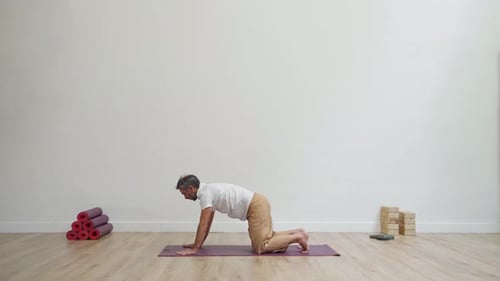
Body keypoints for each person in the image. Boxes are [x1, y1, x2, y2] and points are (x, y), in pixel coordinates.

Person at [175, 174, 309, 255]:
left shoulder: (206, 195)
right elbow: (208, 223)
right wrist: (197, 245)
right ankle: (298, 232)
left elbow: (203, 224)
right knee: (267, 238)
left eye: (184, 193)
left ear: (191, 189)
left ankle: (297, 238)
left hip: (255, 206)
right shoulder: (208, 191)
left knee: (260, 247)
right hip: (258, 203)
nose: (185, 197)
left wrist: (195, 249)